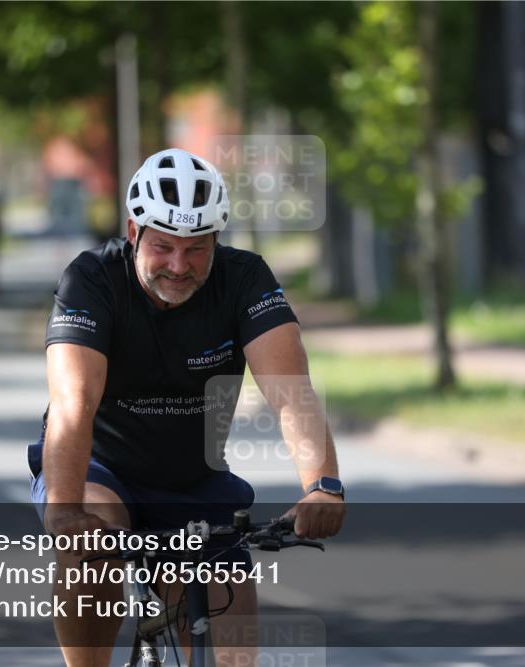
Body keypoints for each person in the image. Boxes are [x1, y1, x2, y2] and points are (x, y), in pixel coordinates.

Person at [28, 148, 346, 667]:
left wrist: (322, 485)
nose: (179, 266)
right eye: (163, 247)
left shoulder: (245, 279)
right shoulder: (90, 280)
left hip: (192, 481)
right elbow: (73, 404)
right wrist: (65, 512)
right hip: (101, 467)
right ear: (133, 232)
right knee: (92, 542)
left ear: (217, 241)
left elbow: (291, 392)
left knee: (234, 653)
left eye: (196, 249)